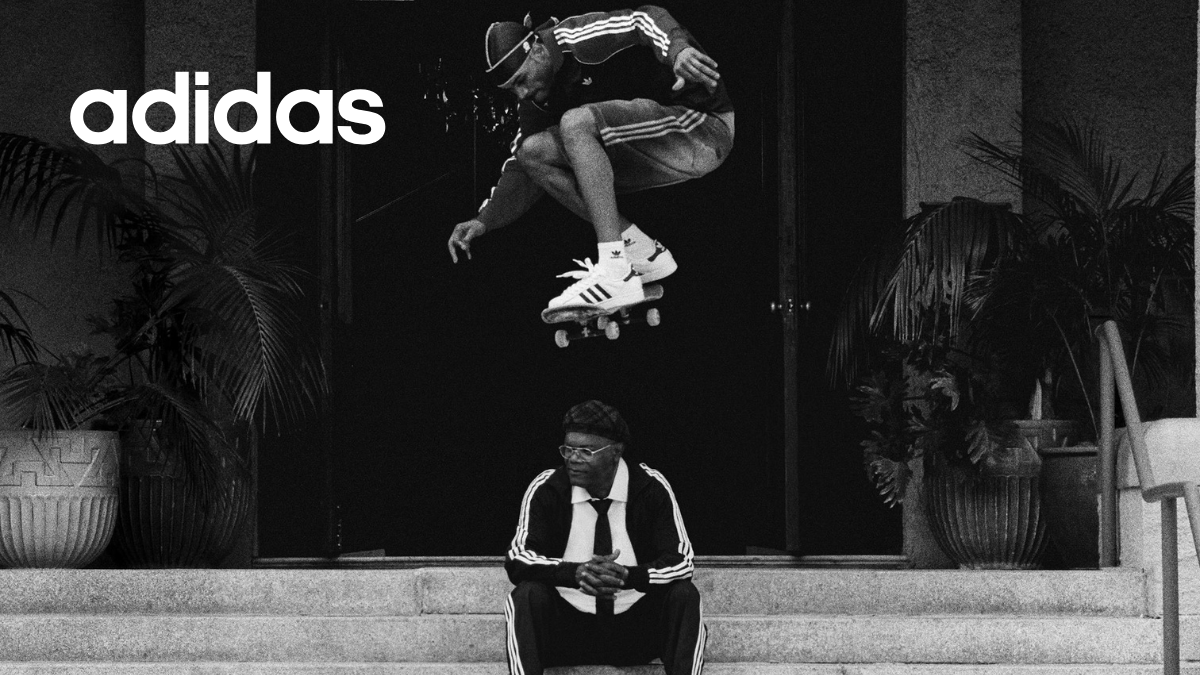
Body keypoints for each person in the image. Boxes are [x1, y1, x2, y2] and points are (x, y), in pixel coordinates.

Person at [447, 6, 734, 314]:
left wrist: (676, 50)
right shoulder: (536, 102)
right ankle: (642, 253)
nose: (522, 93)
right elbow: (521, 164)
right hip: (651, 144)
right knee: (533, 153)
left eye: (521, 80)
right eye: (513, 89)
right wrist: (484, 220)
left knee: (575, 124)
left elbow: (643, 18)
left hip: (702, 128)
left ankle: (613, 269)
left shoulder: (576, 38)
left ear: (539, 51)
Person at [504, 399, 706, 674]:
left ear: (616, 451)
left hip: (635, 631)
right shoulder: (548, 487)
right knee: (525, 596)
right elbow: (518, 558)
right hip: (567, 632)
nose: (573, 458)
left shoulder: (649, 487)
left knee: (684, 595)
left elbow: (682, 562)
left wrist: (628, 576)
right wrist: (575, 573)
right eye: (568, 449)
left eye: (586, 450)